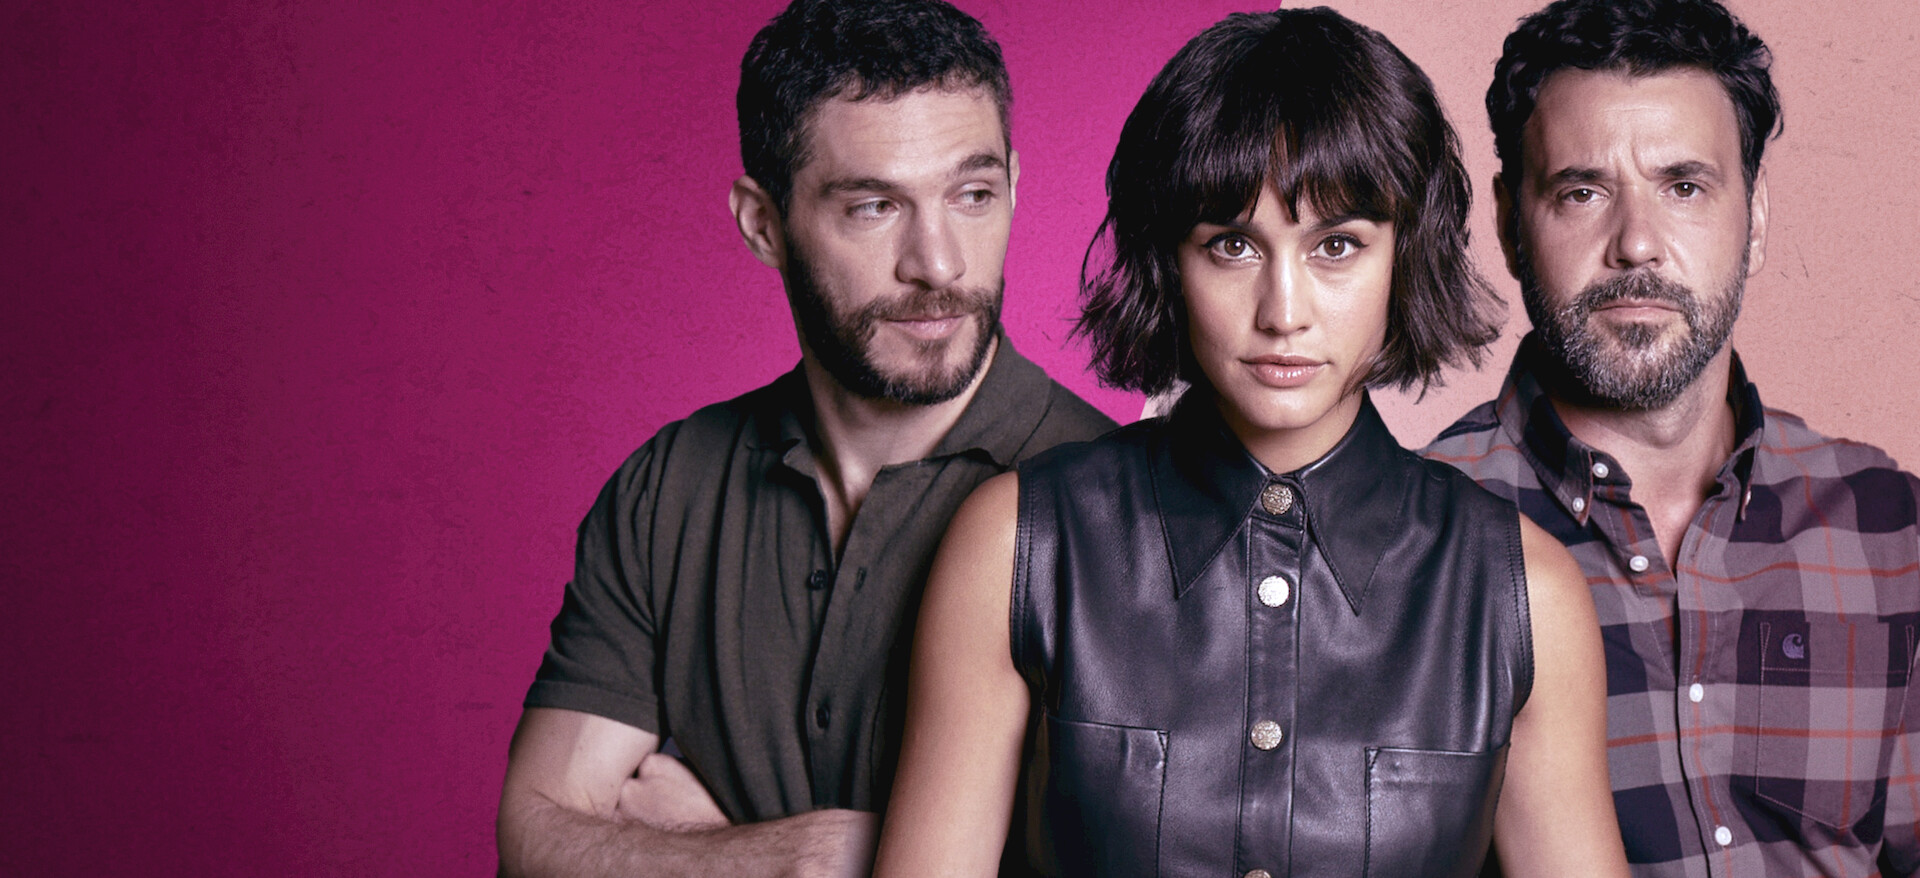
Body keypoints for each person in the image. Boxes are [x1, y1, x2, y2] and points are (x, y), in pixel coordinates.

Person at [873, 8, 1628, 877]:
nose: (1283, 311)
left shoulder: (1521, 592)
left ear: (1405, 256)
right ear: (1169, 260)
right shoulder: (1020, 546)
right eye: (1232, 245)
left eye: (1337, 246)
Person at [493, 0, 1115, 874]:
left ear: (1013, 183)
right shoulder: (667, 490)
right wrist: (793, 859)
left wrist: (708, 851)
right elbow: (535, 837)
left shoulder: (1117, 512)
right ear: (764, 224)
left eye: (973, 196)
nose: (939, 263)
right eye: (874, 207)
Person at [1423, 0, 1920, 874]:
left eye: (1684, 187)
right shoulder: (1416, 543)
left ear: (1754, 221)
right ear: (1508, 224)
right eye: (1582, 192)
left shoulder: (1886, 525)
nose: (1637, 245)